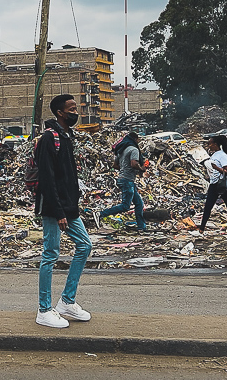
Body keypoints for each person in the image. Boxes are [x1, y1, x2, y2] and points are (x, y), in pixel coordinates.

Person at [34, 94, 92, 329]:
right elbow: (47, 179)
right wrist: (58, 212)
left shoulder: (67, 137)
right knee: (50, 254)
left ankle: (66, 302)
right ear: (60, 113)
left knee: (85, 245)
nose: (76, 113)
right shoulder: (49, 138)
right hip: (53, 207)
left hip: (69, 206)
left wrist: (71, 206)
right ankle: (44, 310)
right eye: (72, 109)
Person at [96, 132, 146, 230]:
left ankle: (141, 227)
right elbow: (134, 164)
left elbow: (115, 165)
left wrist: (123, 168)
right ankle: (100, 214)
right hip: (127, 180)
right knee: (125, 206)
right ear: (135, 139)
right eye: (138, 140)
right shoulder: (134, 150)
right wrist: (142, 169)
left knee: (139, 204)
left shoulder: (122, 150)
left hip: (123, 179)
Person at [197, 135, 227, 237]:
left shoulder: (222, 156)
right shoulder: (214, 155)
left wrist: (216, 168)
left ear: (215, 144)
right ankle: (201, 230)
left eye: (210, 144)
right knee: (208, 207)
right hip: (214, 184)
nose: (208, 146)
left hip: (222, 185)